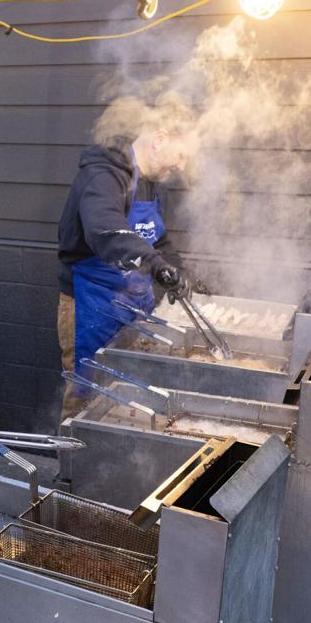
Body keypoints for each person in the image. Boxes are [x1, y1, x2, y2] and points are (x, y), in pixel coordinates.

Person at [56, 95, 199, 418]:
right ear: (160, 139)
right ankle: (73, 467)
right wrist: (154, 265)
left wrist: (178, 269)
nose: (181, 165)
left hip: (133, 306)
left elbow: (154, 239)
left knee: (129, 398)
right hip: (90, 306)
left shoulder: (148, 183)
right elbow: (105, 232)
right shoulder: (105, 173)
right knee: (87, 399)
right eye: (180, 155)